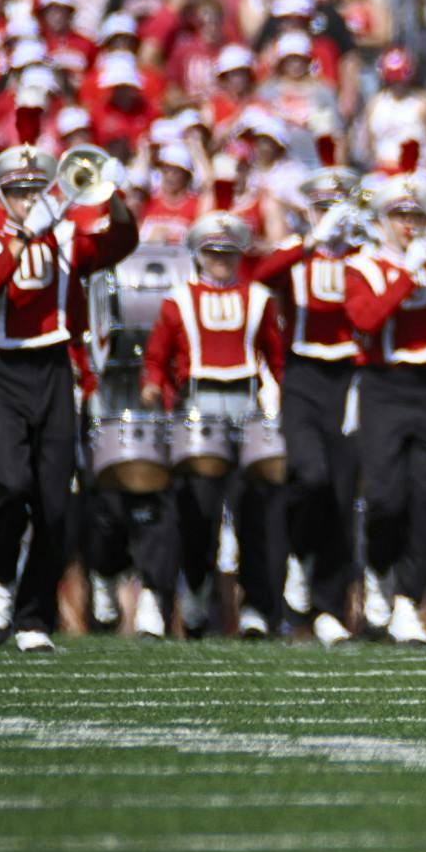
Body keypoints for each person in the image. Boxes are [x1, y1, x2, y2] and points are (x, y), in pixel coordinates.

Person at [0, 132, 138, 652]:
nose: (29, 200)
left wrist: (116, 198)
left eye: (36, 189)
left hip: (54, 370)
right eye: (18, 192)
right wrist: (22, 238)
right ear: (2, 196)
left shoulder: (66, 239)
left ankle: (34, 616)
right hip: (0, 370)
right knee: (7, 487)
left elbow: (120, 244)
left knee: (56, 506)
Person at [141, 209, 286, 638]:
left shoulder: (258, 298)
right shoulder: (178, 299)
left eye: (228, 253)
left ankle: (257, 607)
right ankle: (198, 590)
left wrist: (282, 404)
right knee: (198, 509)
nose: (220, 260)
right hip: (199, 405)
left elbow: (276, 359)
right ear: (198, 254)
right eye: (212, 252)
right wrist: (153, 387)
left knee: (254, 509)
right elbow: (156, 357)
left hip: (247, 403)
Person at [252, 161, 364, 645]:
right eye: (322, 206)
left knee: (342, 492)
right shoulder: (298, 252)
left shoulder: (364, 254)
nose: (330, 216)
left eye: (336, 207)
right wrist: (311, 238)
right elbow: (262, 275)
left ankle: (329, 604)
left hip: (349, 378)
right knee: (308, 474)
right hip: (301, 375)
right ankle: (298, 555)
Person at [344, 176, 426, 645]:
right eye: (399, 216)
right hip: (384, 386)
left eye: (415, 216)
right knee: (387, 495)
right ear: (382, 221)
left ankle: (409, 599)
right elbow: (365, 319)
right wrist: (406, 273)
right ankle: (378, 570)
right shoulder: (363, 265)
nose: (409, 225)